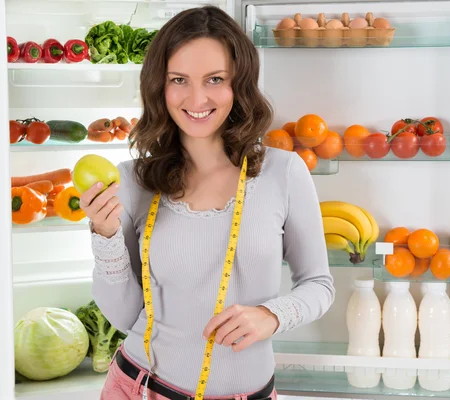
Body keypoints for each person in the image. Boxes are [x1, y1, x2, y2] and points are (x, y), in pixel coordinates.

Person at [80, 6, 335, 400]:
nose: (196, 98)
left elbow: (319, 285)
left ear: (240, 84)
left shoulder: (283, 172)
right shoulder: (135, 180)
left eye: (215, 79)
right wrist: (105, 235)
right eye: (178, 79)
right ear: (159, 87)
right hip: (140, 388)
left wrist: (272, 316)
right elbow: (126, 315)